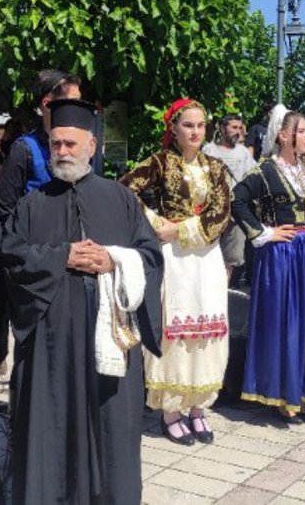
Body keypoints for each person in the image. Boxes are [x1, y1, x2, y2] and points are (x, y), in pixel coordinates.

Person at [2, 99, 162, 503]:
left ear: (92, 146)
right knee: (50, 428)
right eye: (56, 144)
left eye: (71, 144)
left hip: (110, 343)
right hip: (51, 348)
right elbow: (10, 257)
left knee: (111, 433)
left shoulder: (121, 199)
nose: (63, 152)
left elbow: (150, 256)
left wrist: (114, 259)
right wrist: (61, 256)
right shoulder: (31, 205)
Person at [120, 98, 231, 445]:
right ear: (173, 129)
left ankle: (198, 408)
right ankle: (170, 410)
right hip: (175, 261)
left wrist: (180, 229)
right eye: (188, 125)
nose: (195, 131)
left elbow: (222, 212)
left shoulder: (215, 167)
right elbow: (124, 188)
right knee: (176, 326)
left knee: (208, 326)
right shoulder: (159, 162)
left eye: (200, 125)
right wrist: (156, 223)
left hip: (206, 257)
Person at [232, 106, 305, 423]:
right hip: (282, 254)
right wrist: (263, 233)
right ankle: (281, 394)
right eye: (301, 131)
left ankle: (304, 390)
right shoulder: (265, 170)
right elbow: (236, 200)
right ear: (283, 135)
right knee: (286, 321)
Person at [0, 69, 82, 225]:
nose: (78, 109)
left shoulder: (84, 146)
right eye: (71, 102)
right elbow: (4, 210)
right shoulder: (24, 149)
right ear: (47, 104)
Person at [202, 113, 257, 279]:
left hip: (236, 215)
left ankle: (222, 296)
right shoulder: (208, 150)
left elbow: (253, 177)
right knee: (208, 255)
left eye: (240, 128)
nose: (238, 132)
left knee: (231, 259)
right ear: (222, 128)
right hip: (212, 213)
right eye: (234, 127)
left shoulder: (243, 153)